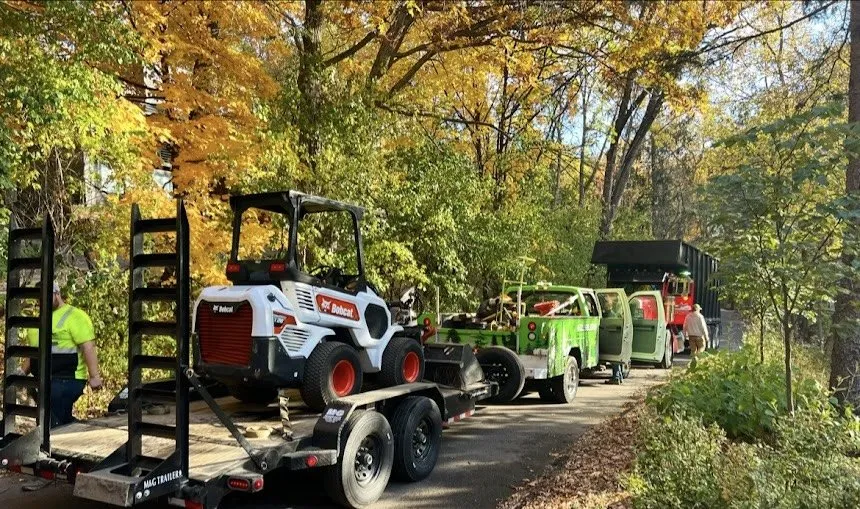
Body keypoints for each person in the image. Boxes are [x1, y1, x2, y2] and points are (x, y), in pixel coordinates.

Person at [23, 281, 102, 427]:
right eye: (39, 299)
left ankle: (53, 442)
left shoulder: (75, 316)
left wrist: (94, 376)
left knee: (52, 417)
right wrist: (19, 375)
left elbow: (88, 347)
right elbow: (33, 353)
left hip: (68, 378)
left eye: (45, 297)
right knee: (52, 418)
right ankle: (70, 432)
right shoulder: (38, 321)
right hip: (43, 379)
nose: (41, 302)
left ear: (57, 293)